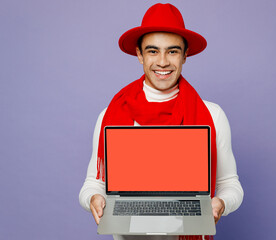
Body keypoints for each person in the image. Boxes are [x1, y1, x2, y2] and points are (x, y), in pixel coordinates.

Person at [79, 3, 243, 240]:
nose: (163, 62)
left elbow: (230, 183)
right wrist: (93, 199)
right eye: (153, 51)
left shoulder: (212, 115)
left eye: (173, 51)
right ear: (139, 54)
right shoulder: (111, 114)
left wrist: (221, 203)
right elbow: (93, 184)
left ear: (185, 55)